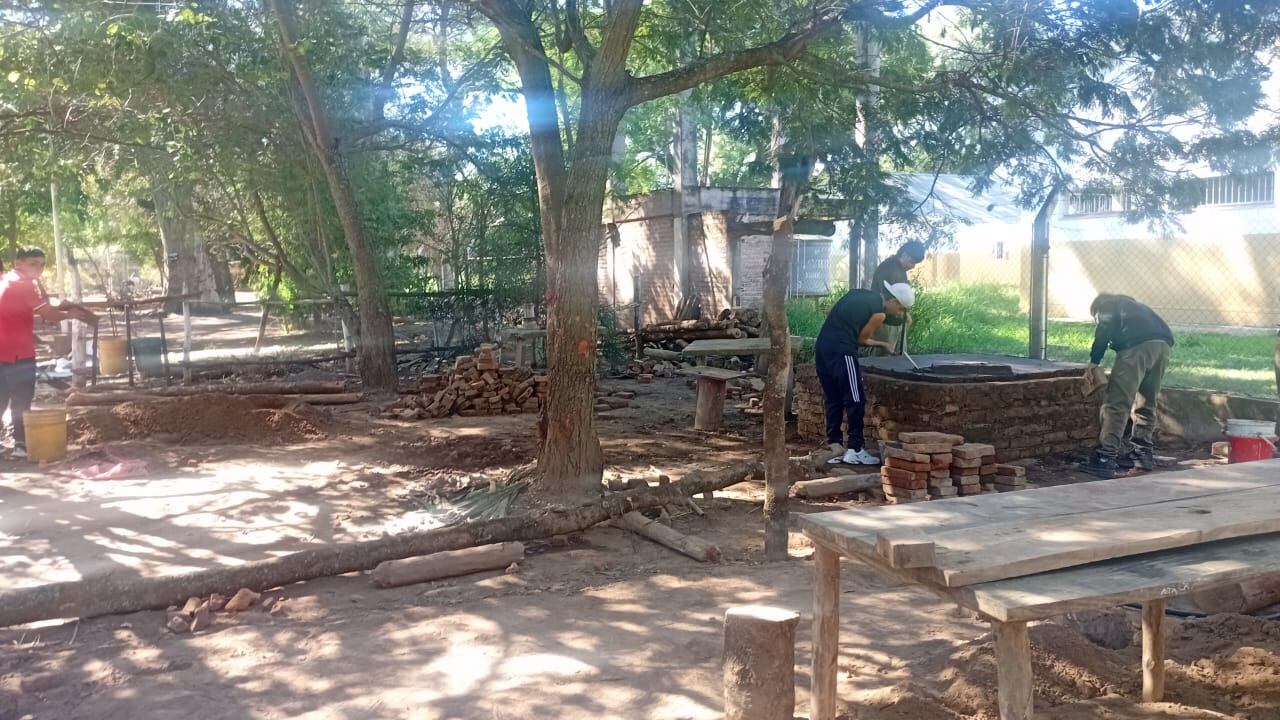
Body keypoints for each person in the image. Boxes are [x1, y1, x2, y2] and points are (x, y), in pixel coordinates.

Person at [0, 247, 96, 459]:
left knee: (2, 397)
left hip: (3, 351)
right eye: (33, 263)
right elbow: (48, 314)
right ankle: (21, 445)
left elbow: (24, 311)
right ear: (19, 264)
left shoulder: (5, 280)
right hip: (18, 353)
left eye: (42, 264)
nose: (39, 268)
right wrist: (71, 313)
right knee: (21, 399)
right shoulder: (24, 285)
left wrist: (59, 309)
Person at [816, 281, 915, 465]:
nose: (898, 312)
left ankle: (834, 447)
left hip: (822, 347)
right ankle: (855, 448)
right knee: (856, 399)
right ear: (892, 300)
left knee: (833, 399)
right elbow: (862, 339)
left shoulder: (857, 294)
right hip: (843, 351)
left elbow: (831, 312)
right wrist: (883, 344)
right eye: (900, 308)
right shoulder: (879, 312)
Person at [1081, 293, 1174, 478]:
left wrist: (1094, 361)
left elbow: (1104, 328)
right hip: (1163, 347)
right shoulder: (1138, 307)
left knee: (1117, 403)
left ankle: (1105, 457)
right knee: (1146, 402)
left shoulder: (1106, 304)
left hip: (1135, 349)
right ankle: (1142, 454)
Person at [866, 240, 926, 356]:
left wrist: (904, 312)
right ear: (904, 254)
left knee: (899, 357)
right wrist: (903, 311)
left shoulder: (900, 269)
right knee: (882, 358)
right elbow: (889, 298)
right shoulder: (889, 267)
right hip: (885, 321)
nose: (913, 266)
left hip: (896, 321)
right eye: (911, 262)